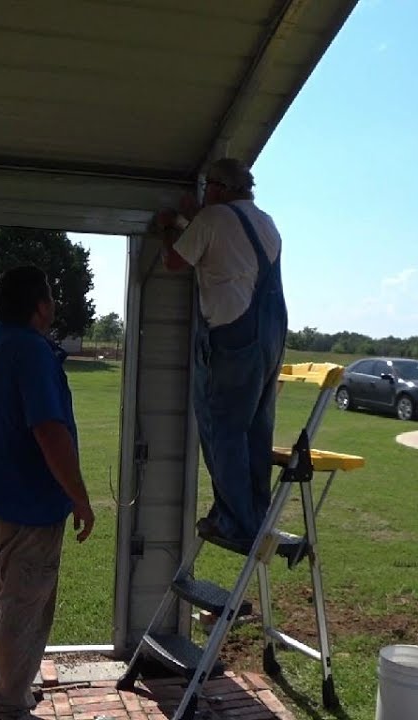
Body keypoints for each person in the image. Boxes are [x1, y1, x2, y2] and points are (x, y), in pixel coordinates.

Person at [0, 265, 95, 720]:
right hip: (29, 507)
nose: (54, 305)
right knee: (24, 609)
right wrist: (79, 497)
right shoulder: (33, 351)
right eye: (51, 297)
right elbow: (49, 432)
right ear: (40, 305)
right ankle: (9, 705)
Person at [153, 157, 288, 548]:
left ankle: (234, 523)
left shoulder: (213, 219)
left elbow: (175, 260)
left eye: (209, 186)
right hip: (270, 334)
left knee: (223, 429)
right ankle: (255, 515)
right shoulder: (265, 222)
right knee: (256, 430)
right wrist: (195, 218)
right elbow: (226, 246)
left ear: (219, 188)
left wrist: (169, 227)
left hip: (233, 335)